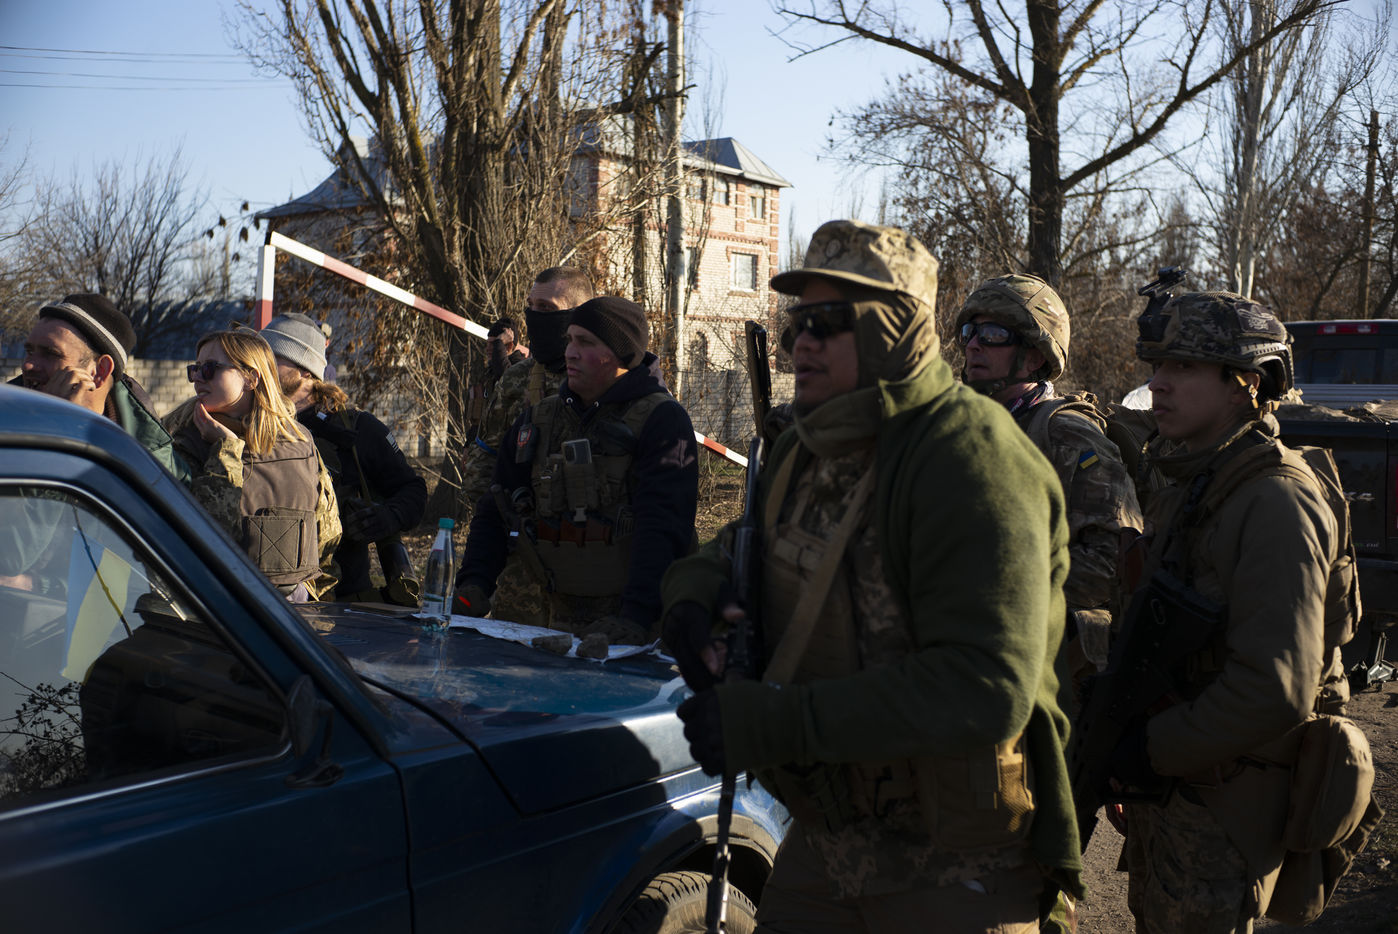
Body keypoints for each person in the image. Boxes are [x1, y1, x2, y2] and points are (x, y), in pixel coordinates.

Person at [661, 219, 1081, 933]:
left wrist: (775, 724)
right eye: (797, 323)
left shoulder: (972, 458)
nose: (801, 344)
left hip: (956, 861)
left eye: (827, 323)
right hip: (832, 837)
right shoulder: (809, 444)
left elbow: (986, 685)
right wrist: (691, 597)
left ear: (896, 331)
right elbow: (745, 542)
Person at [1109, 291, 1354, 932]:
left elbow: (1275, 688)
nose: (1157, 384)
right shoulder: (1193, 482)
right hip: (1177, 792)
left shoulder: (1274, 500)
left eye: (1184, 366)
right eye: (1157, 366)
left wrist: (1148, 749)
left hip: (1223, 806)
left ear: (1247, 382)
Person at [456, 295, 699, 646]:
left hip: (635, 632)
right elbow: (495, 506)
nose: (570, 352)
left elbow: (664, 528)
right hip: (552, 624)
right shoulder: (540, 418)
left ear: (620, 354)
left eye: (586, 342)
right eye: (570, 340)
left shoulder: (661, 420)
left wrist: (636, 617)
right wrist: (474, 583)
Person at [953, 274, 1142, 681]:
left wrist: (1001, 589)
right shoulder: (963, 426)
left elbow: (1112, 564)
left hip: (1051, 663)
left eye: (993, 334)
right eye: (970, 332)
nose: (973, 345)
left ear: (1036, 356)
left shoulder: (1068, 435)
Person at [458, 266, 596, 625]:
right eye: (531, 306)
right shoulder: (518, 378)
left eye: (547, 309)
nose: (535, 316)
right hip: (522, 570)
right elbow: (484, 474)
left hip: (590, 566)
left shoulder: (602, 380)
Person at [262, 312, 427, 606]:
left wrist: (387, 517)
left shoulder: (357, 429)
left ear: (305, 370)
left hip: (340, 604)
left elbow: (413, 490)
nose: (261, 366)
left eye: (273, 358)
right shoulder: (254, 423)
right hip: (266, 595)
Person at [166, 328, 341, 601]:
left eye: (210, 368)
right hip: (212, 608)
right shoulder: (183, 439)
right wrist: (226, 448)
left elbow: (327, 534)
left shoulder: (300, 441)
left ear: (251, 378)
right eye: (195, 369)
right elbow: (205, 540)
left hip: (294, 609)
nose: (197, 378)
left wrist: (314, 595)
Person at [15, 293, 190, 483]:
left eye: (51, 353)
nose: (28, 365)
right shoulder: (8, 428)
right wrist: (53, 430)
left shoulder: (156, 461)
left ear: (100, 371)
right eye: (29, 351)